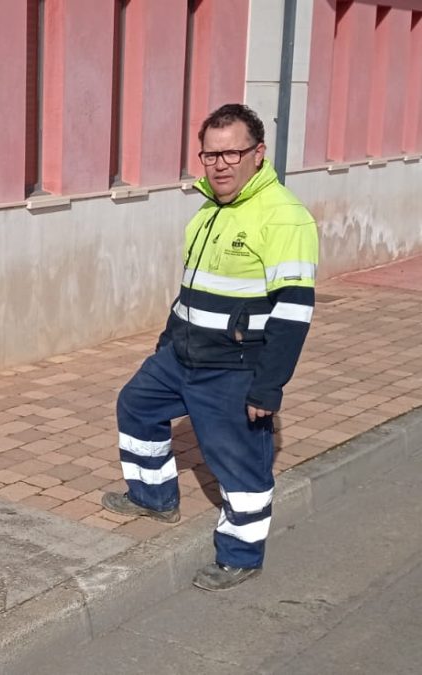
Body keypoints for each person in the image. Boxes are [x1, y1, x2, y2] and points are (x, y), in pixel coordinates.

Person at [101, 104, 319, 591]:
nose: (220, 164)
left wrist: (268, 388)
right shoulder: (208, 210)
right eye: (210, 154)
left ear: (257, 155)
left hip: (234, 367)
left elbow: (293, 312)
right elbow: (192, 288)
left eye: (232, 153)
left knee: (237, 461)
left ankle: (241, 556)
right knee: (136, 406)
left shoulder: (283, 217)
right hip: (180, 356)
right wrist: (166, 342)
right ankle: (154, 497)